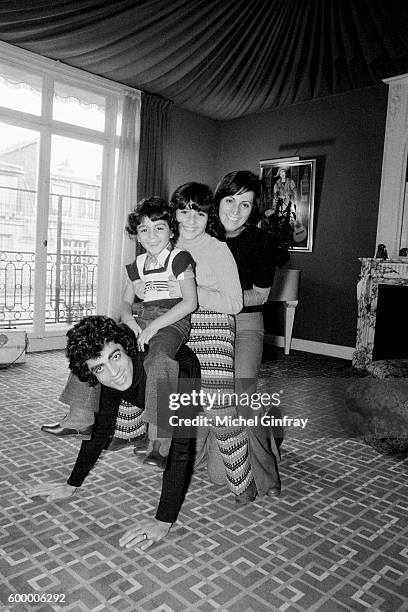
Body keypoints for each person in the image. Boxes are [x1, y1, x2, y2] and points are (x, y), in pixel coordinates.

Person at [26, 315, 199, 550]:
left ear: (127, 350)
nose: (114, 373)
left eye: (115, 356)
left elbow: (179, 452)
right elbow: (99, 433)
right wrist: (70, 485)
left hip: (179, 374)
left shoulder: (174, 376)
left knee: (183, 446)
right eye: (99, 368)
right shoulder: (106, 379)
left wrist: (162, 521)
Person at [170, 182, 259, 504]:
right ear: (174, 214)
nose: (191, 220)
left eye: (199, 212)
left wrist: (190, 289)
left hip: (215, 328)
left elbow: (235, 303)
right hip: (179, 327)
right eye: (183, 212)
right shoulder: (165, 244)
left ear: (209, 216)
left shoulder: (217, 249)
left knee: (219, 407)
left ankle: (243, 481)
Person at [211, 170, 282, 495]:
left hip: (246, 325)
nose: (235, 211)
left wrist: (221, 300)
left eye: (245, 204)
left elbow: (261, 296)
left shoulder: (262, 242)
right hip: (209, 325)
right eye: (230, 200)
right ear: (219, 200)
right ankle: (217, 461)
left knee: (242, 395)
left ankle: (265, 475)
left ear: (254, 210)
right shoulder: (204, 234)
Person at [120, 197, 197, 468]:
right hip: (142, 319)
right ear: (137, 234)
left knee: (159, 360)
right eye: (144, 229)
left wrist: (153, 326)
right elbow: (125, 303)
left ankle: (160, 443)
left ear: (171, 230)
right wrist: (129, 320)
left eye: (159, 228)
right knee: (100, 340)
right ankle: (80, 418)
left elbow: (190, 303)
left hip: (172, 321)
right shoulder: (137, 264)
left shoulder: (179, 259)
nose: (151, 236)